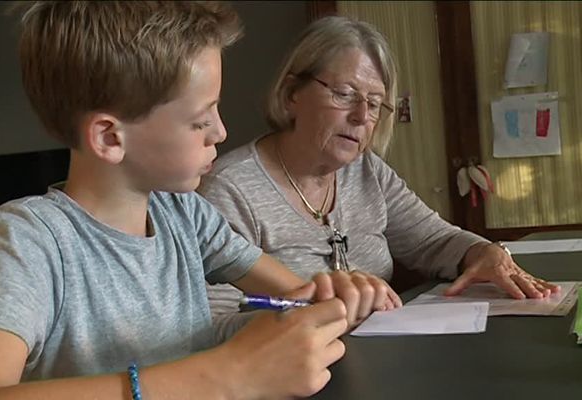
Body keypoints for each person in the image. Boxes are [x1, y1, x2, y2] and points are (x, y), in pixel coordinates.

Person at [0, 3, 390, 399]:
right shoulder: (28, 240)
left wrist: (329, 300)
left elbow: (296, 296)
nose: (221, 132)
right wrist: (224, 376)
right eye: (201, 119)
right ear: (110, 137)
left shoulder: (185, 214)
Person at [198, 15, 560, 321]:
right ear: (293, 92)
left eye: (374, 104)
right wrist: (320, 312)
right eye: (344, 94)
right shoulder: (231, 188)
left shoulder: (366, 171)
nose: (361, 117)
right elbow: (218, 322)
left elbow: (434, 239)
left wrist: (483, 253)